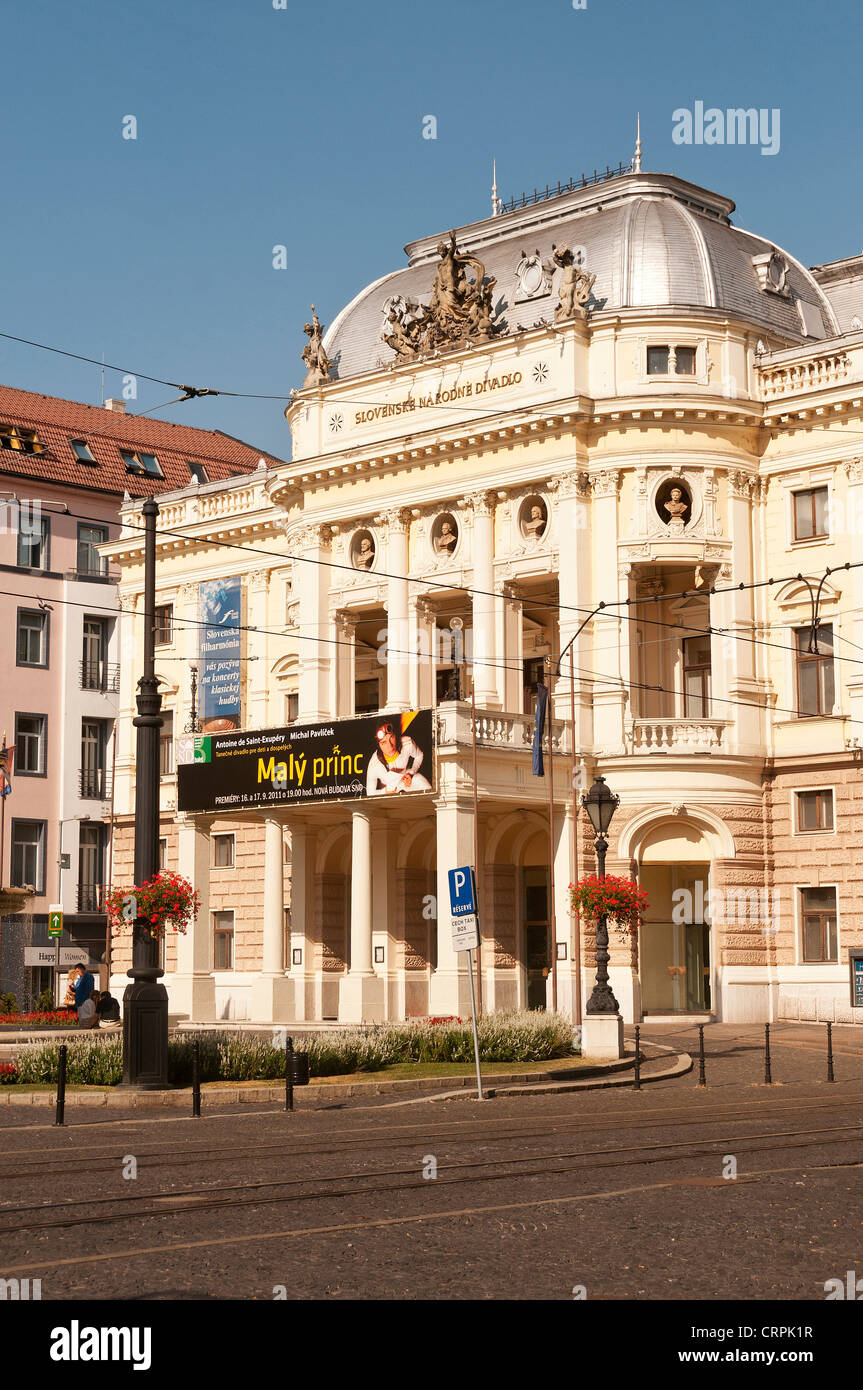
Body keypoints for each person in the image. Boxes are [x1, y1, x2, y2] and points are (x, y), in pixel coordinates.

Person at [366, 721, 431, 796]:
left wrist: (411, 773)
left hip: (406, 779)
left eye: (391, 738)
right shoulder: (374, 764)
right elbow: (370, 793)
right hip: (389, 790)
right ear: (378, 745)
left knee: (425, 785)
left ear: (395, 735)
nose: (390, 746)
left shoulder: (407, 743)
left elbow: (419, 755)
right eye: (384, 742)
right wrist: (385, 792)